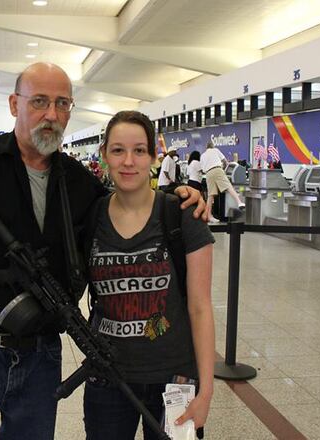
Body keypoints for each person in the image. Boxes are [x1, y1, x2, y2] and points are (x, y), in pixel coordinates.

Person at [0, 62, 207, 440]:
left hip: (41, 355)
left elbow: (125, 207)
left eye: (62, 104)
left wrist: (176, 196)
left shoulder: (79, 182)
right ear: (13, 104)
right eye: (39, 101)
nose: (51, 114)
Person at [84, 111, 215, 439]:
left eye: (139, 150)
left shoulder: (182, 214)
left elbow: (200, 307)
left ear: (154, 157)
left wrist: (206, 391)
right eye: (118, 150)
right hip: (107, 379)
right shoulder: (89, 216)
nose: (129, 161)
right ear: (104, 155)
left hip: (176, 378)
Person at [201, 142, 245, 223]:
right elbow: (225, 162)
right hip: (217, 169)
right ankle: (239, 202)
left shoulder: (203, 155)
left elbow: (203, 169)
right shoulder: (215, 150)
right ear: (212, 146)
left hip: (208, 173)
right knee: (228, 187)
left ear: (206, 147)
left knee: (211, 195)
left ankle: (209, 216)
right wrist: (224, 167)